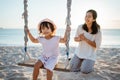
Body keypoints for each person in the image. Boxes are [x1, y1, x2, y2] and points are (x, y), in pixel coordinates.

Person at [70, 9, 102, 73]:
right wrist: (79, 39)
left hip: (90, 56)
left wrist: (85, 39)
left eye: (89, 16)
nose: (87, 18)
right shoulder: (80, 27)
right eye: (86, 16)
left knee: (84, 71)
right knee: (72, 68)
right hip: (79, 53)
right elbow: (75, 39)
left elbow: (97, 46)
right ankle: (81, 62)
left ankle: (88, 64)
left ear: (94, 19)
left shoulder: (98, 32)